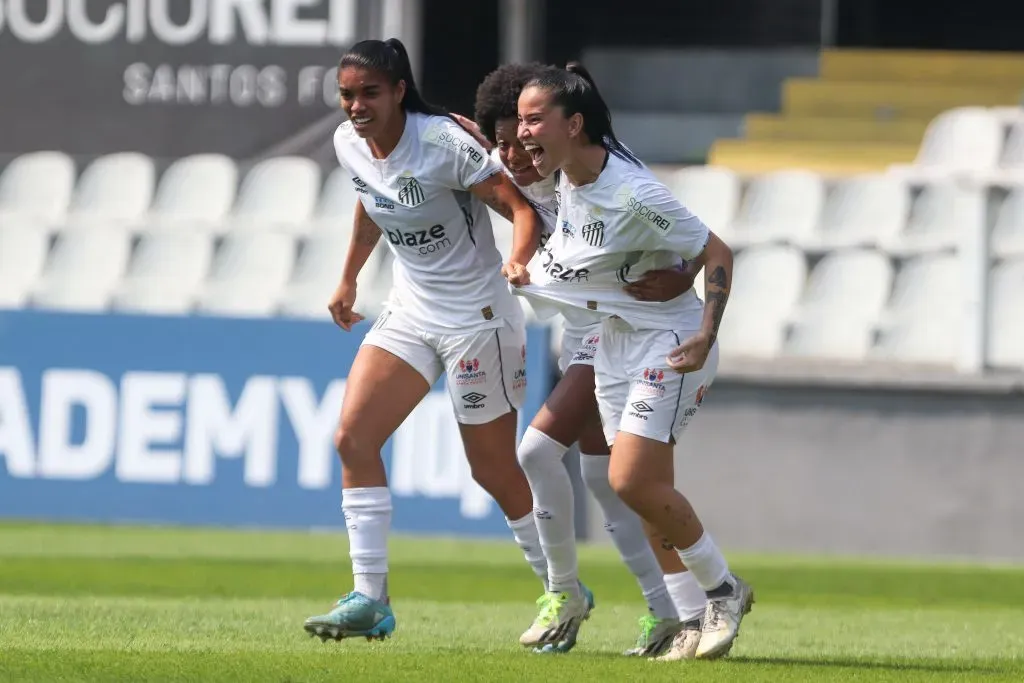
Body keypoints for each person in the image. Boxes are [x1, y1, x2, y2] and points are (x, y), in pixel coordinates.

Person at [302, 38, 554, 644]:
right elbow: (372, 203)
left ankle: (560, 588)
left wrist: (518, 263)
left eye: (368, 93)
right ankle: (370, 598)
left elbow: (521, 211)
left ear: (397, 90)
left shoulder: (443, 142)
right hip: (412, 310)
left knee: (492, 470)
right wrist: (348, 277)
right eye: (346, 95)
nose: (356, 106)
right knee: (353, 438)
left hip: (478, 321)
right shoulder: (347, 144)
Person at [462, 63, 714, 659]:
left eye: (520, 135)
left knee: (543, 453)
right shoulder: (525, 177)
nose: (513, 154)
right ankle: (671, 612)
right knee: (609, 480)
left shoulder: (601, 172)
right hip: (589, 330)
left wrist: (685, 274)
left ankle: (568, 591)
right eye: (501, 143)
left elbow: (695, 240)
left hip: (620, 332)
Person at [511, 62, 755, 661]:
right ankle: (693, 620)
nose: (521, 134)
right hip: (616, 343)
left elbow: (714, 246)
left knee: (628, 480)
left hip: (668, 345)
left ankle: (725, 590)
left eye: (533, 119)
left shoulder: (631, 191)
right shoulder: (572, 174)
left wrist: (703, 330)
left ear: (573, 124)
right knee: (645, 492)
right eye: (519, 121)